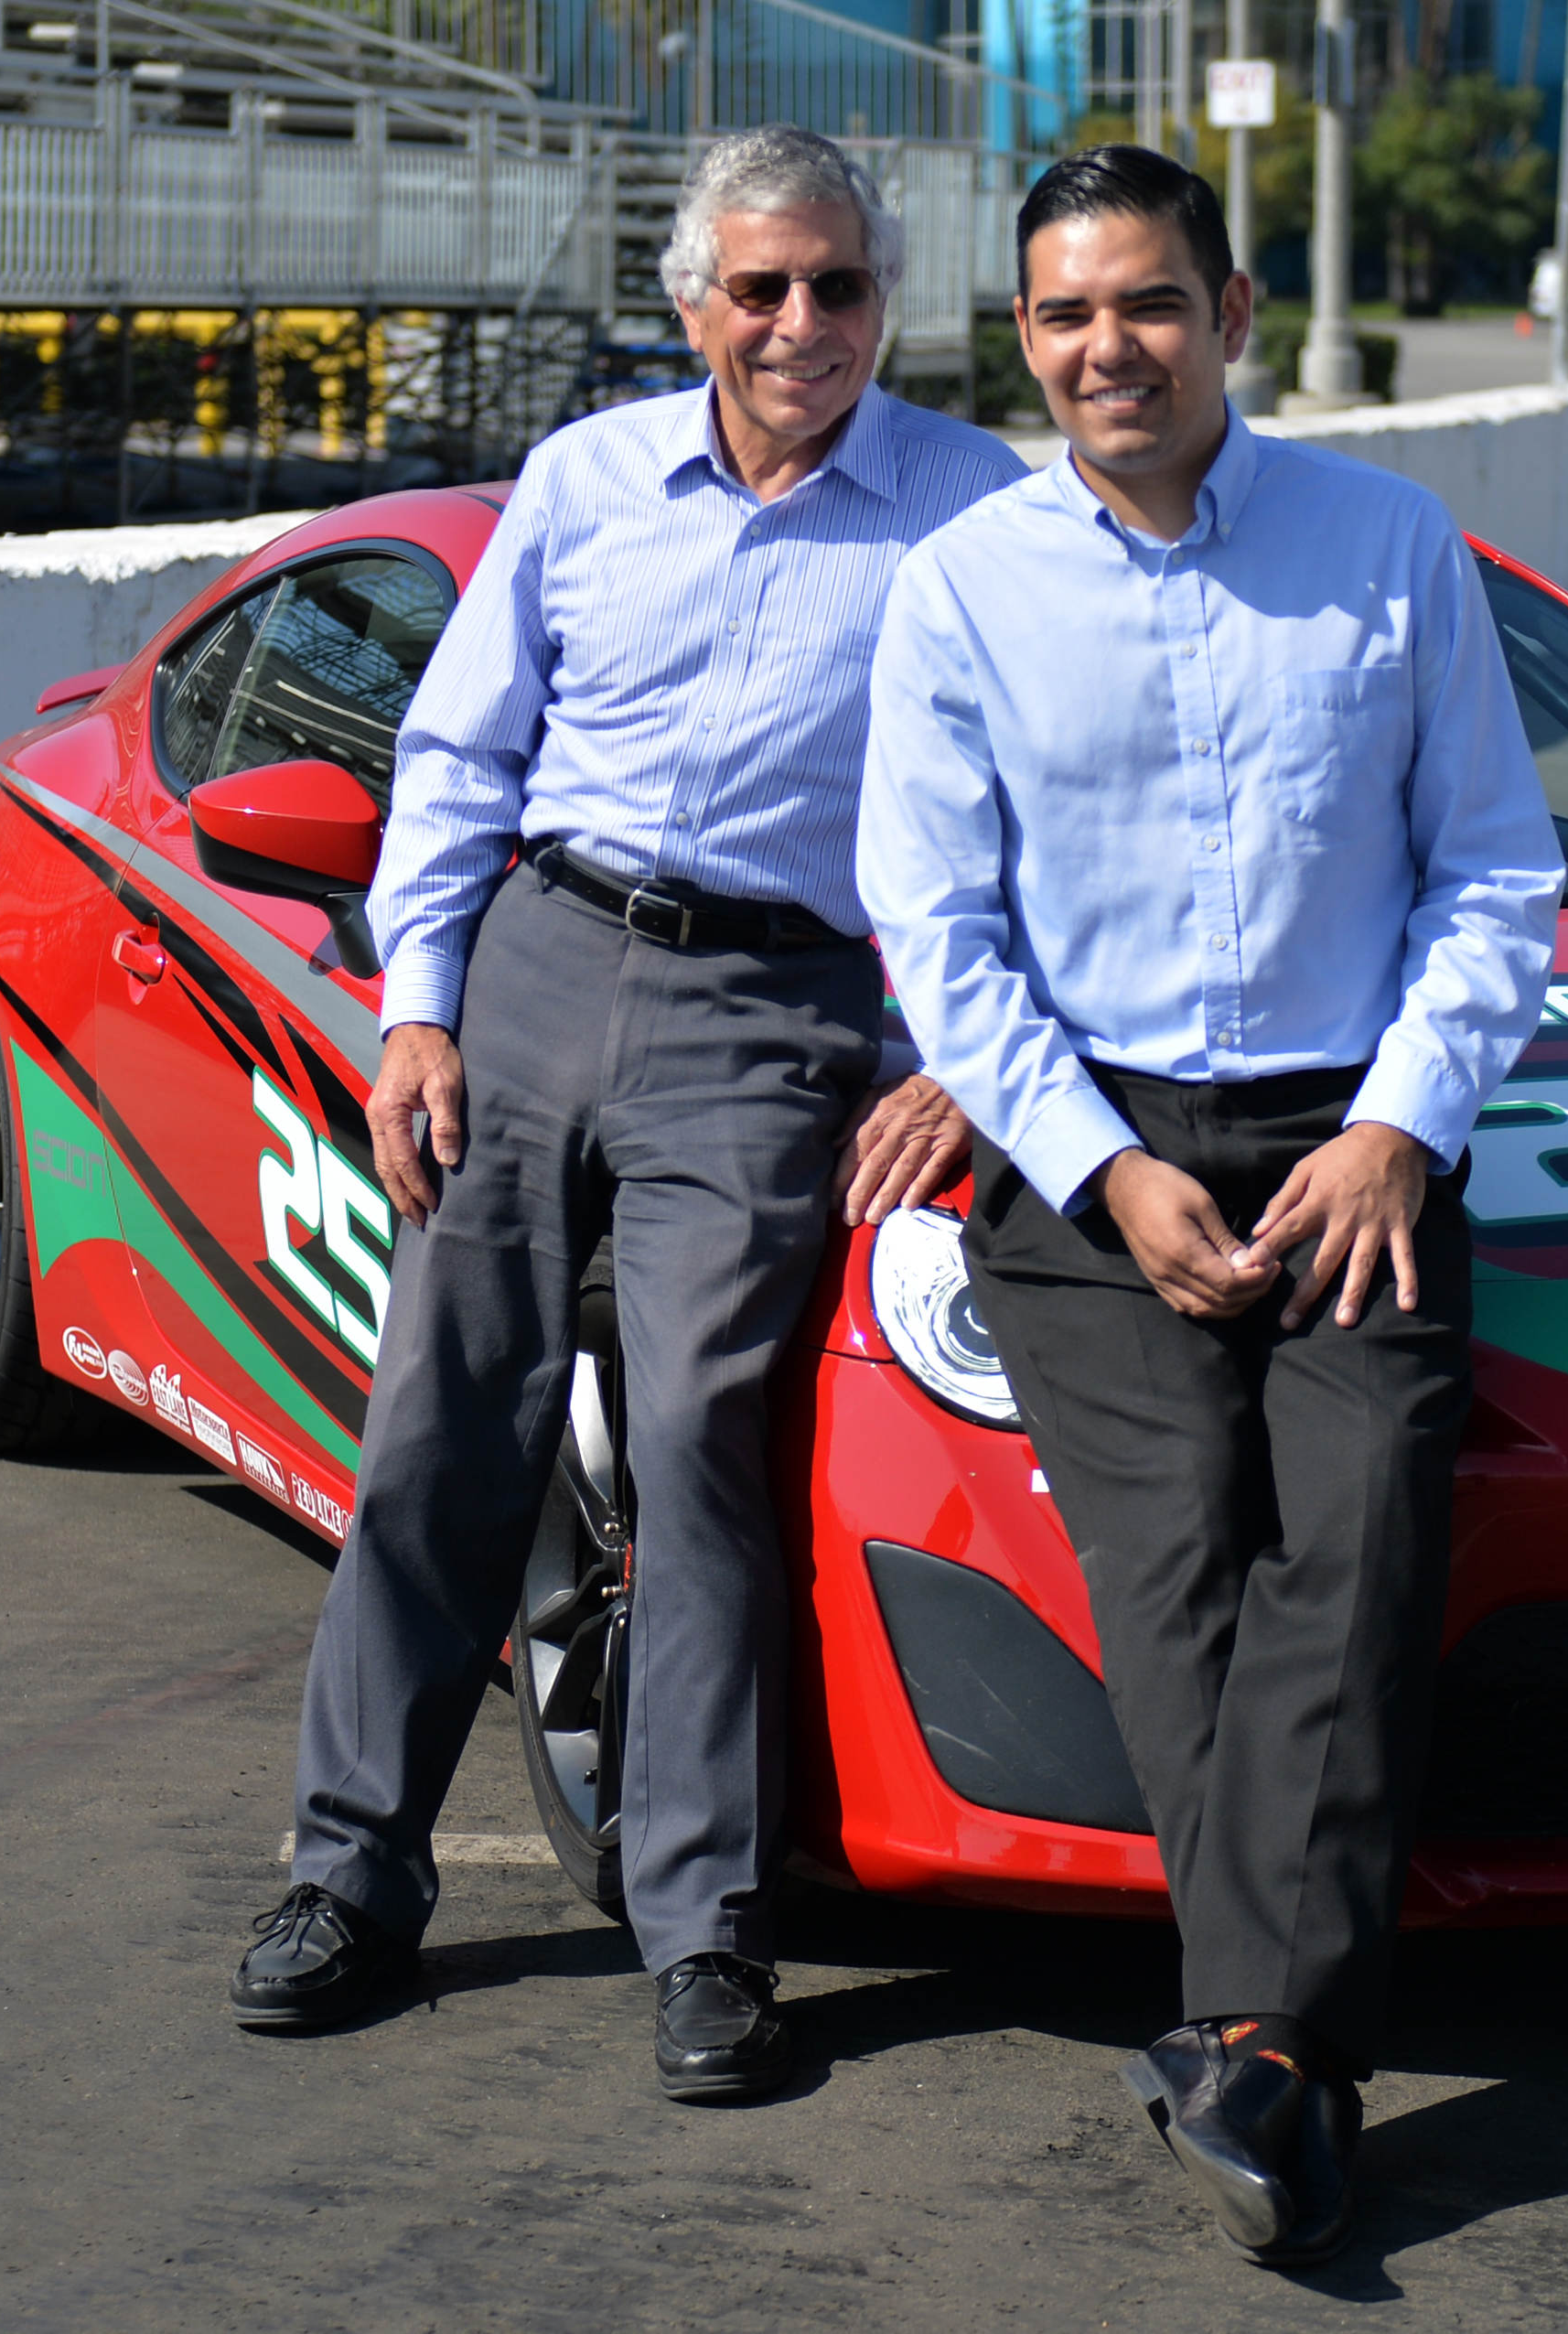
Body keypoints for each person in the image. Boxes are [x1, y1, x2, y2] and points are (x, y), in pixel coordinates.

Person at [228, 125, 1026, 2104]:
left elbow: (1040, 809)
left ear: (886, 302)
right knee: (442, 1431)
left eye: (838, 285)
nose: (800, 322)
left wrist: (962, 1054)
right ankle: (348, 1876)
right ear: (692, 304)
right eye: (760, 286)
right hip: (539, 964)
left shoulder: (975, 513)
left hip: (775, 1011)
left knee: (694, 1456)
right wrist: (419, 1013)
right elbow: (455, 756)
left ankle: (705, 1933)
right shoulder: (584, 480)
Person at [858, 145, 1563, 2264]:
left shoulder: (1390, 544)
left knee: (1355, 1549)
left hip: (1357, 1144)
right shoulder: (962, 588)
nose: (1109, 349)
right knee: (1174, 1567)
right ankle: (1287, 2047)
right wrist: (1100, 1165)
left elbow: (1494, 872)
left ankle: (1248, 2042)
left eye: (1148, 304)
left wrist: (1402, 1124)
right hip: (1085, 1150)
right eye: (1065, 315)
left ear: (1230, 313)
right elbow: (934, 929)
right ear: (1023, 337)